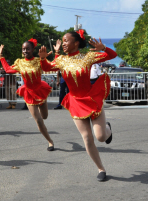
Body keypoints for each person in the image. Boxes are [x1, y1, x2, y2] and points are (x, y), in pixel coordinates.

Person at [39, 30, 117, 181]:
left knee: (100, 137)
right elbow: (47, 68)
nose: (64, 44)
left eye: (66, 41)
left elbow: (112, 56)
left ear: (76, 43)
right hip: (75, 101)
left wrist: (103, 48)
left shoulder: (87, 56)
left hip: (91, 98)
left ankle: (107, 128)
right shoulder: (61, 60)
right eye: (63, 41)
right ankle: (101, 168)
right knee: (87, 138)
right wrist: (42, 59)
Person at [0, 38, 61, 151]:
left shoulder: (38, 60)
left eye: (27, 49)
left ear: (33, 50)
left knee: (45, 116)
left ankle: (42, 107)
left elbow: (52, 66)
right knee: (39, 120)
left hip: (40, 90)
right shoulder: (19, 62)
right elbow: (8, 69)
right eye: (23, 49)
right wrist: (1, 57)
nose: (25, 51)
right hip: (29, 92)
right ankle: (50, 142)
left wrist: (55, 53)